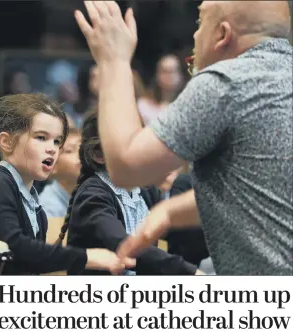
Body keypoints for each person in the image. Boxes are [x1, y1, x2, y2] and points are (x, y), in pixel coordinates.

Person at [75, 1, 292, 275]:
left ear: (222, 35)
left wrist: (113, 61)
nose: (194, 36)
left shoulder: (225, 83)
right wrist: (171, 212)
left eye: (200, 24)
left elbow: (126, 168)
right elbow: (266, 186)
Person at [0, 93, 135, 275]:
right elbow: (12, 247)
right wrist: (86, 257)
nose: (52, 148)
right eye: (41, 137)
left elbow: (32, 263)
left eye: (57, 141)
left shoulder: (36, 207)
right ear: (6, 142)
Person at [59, 110, 199, 276]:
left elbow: (177, 235)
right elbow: (125, 245)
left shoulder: (145, 190)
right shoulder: (92, 196)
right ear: (98, 155)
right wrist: (191, 273)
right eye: (130, 143)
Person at [39, 127, 81, 218]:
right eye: (70, 151)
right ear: (53, 166)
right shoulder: (48, 208)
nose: (81, 153)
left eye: (82, 147)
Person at [137, 54, 185, 125]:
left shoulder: (188, 107)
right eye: (165, 71)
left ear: (181, 75)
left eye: (174, 71)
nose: (170, 76)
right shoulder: (143, 106)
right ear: (157, 76)